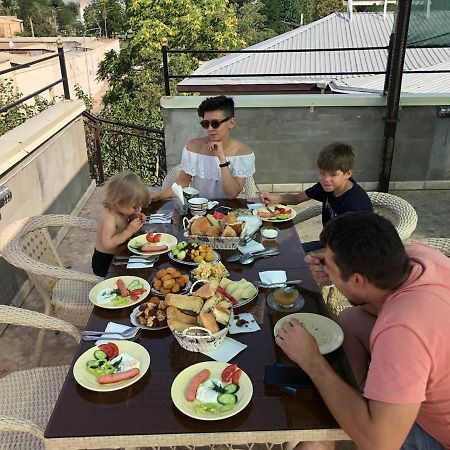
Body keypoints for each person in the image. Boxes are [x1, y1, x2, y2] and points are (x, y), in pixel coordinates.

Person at [276, 212, 450, 450]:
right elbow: (372, 302)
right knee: (352, 318)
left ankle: (335, 428)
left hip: (437, 435)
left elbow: (380, 444)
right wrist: (335, 271)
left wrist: (312, 361)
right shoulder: (417, 255)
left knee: (327, 439)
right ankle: (345, 408)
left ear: (357, 280)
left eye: (331, 268)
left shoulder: (402, 332)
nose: (327, 271)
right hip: (431, 366)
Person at [260, 142, 372, 253]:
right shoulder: (327, 187)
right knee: (278, 251)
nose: (326, 179)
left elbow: (348, 249)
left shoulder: (355, 204)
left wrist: (312, 255)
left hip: (348, 255)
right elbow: (297, 199)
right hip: (327, 245)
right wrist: (275, 198)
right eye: (322, 173)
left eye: (333, 174)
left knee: (289, 258)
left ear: (347, 174)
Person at [150, 95, 255, 201]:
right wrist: (158, 196)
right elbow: (182, 183)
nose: (210, 128)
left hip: (228, 211)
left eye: (215, 123)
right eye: (205, 124)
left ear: (231, 123)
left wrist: (222, 158)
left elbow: (232, 194)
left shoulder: (243, 152)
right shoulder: (193, 147)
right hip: (199, 211)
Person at [92, 171, 150, 277]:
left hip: (118, 254)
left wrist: (136, 217)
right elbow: (108, 244)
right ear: (119, 202)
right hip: (105, 262)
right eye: (134, 207)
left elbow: (126, 219)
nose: (139, 209)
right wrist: (129, 231)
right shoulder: (109, 218)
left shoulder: (121, 210)